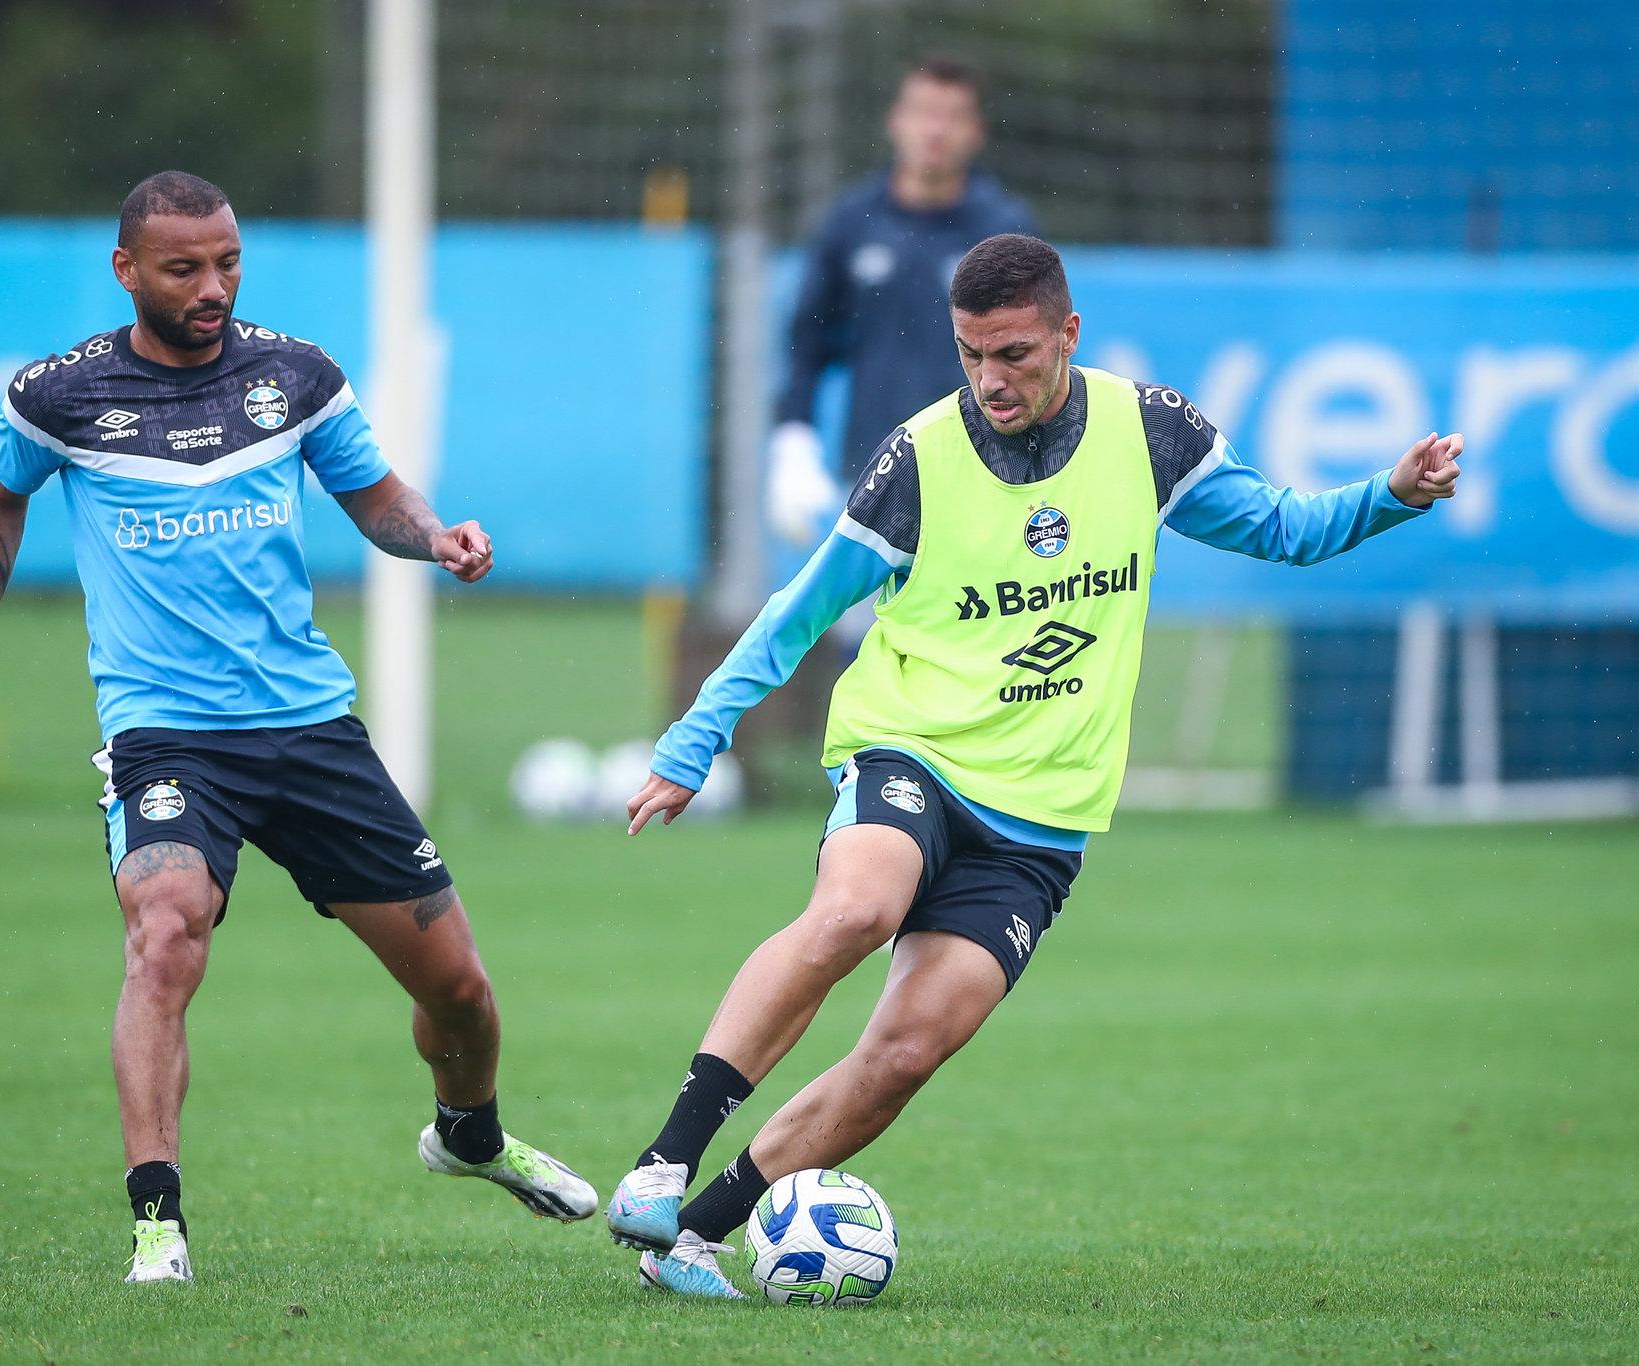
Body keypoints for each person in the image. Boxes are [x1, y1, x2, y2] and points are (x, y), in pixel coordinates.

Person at [606, 234, 1462, 1297]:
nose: (988, 381)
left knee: (909, 1049)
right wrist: (694, 740)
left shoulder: (1149, 433)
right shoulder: (919, 457)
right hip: (912, 748)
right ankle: (660, 1160)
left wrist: (1388, 490)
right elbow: (798, 611)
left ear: (1066, 333)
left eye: (1010, 354)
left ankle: (691, 1236)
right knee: (855, 910)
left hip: (1044, 815)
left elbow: (1284, 529)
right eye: (969, 355)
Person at [0, 171, 596, 1286]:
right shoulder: (61, 395)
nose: (213, 286)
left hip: (308, 731)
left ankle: (468, 1136)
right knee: (165, 928)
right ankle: (157, 1224)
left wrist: (437, 536)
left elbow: (376, 500)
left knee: (460, 993)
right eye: (184, 268)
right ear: (127, 269)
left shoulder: (295, 375)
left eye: (227, 261)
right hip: (166, 739)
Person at [766, 55, 1037, 548]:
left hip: (989, 479)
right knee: (870, 627)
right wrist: (793, 445)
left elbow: (1039, 354)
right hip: (874, 480)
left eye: (952, 116)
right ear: (896, 120)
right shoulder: (850, 222)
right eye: (923, 111)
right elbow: (805, 344)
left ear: (975, 132)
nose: (935, 129)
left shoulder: (1005, 228)